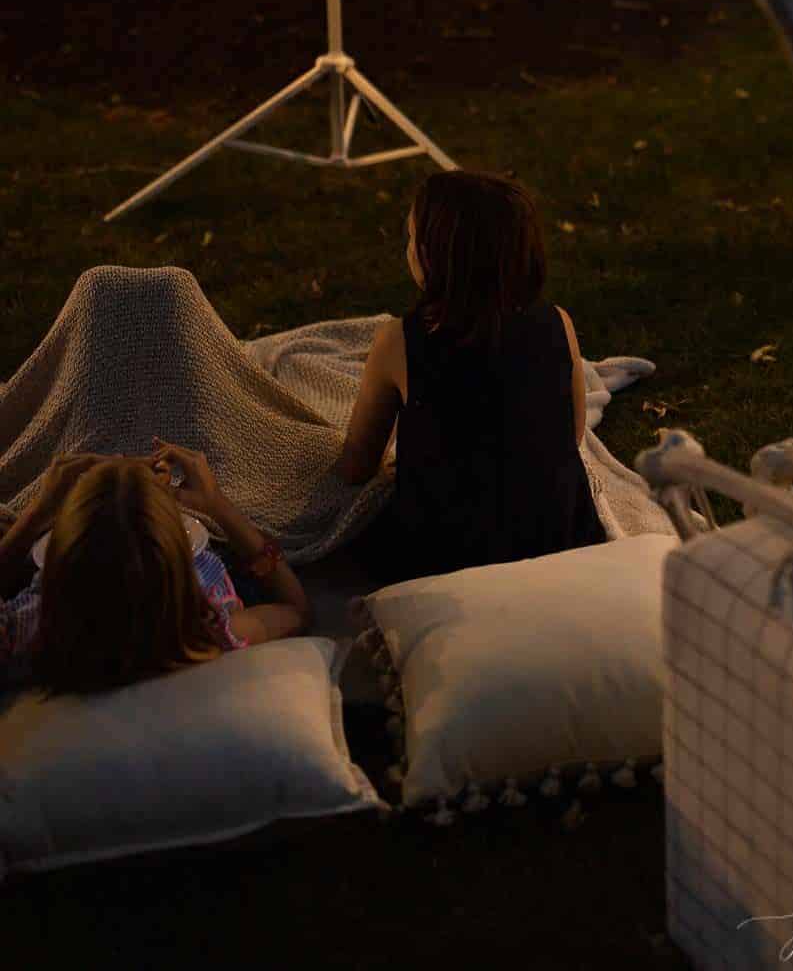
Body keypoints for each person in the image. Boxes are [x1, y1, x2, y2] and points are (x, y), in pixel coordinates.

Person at [333, 170, 606, 583]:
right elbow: (572, 433)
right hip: (558, 542)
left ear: (430, 256)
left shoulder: (399, 342)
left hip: (443, 562)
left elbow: (356, 466)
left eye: (410, 238)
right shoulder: (558, 323)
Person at [0, 443, 310, 696]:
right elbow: (294, 606)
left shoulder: (30, 629)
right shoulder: (211, 633)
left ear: (58, 561)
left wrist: (36, 512)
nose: (122, 455)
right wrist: (217, 504)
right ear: (180, 554)